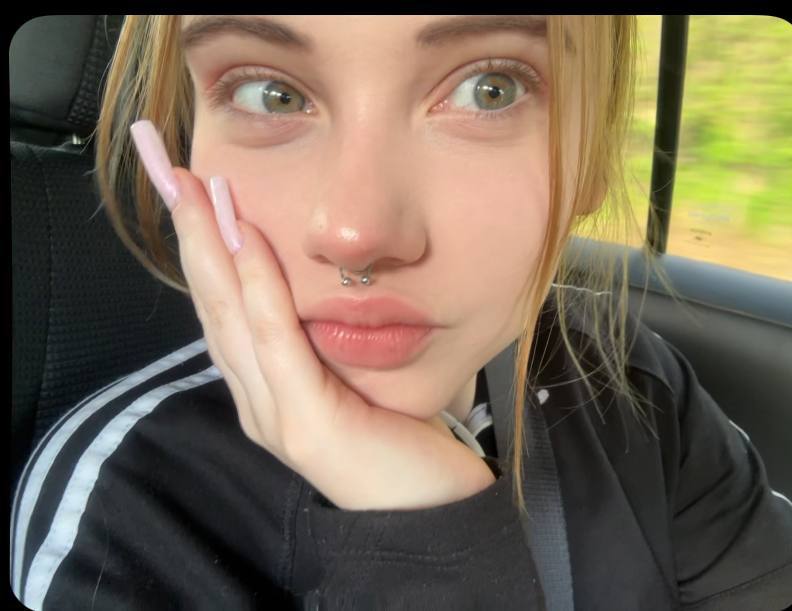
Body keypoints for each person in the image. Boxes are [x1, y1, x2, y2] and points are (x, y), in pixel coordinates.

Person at [10, 15, 792, 610]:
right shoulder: (124, 514)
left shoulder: (639, 390)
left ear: (591, 156)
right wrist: (431, 538)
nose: (357, 232)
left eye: (491, 88)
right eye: (270, 93)